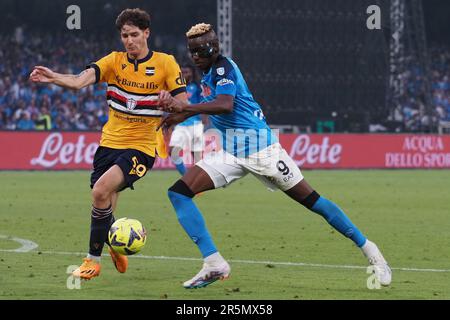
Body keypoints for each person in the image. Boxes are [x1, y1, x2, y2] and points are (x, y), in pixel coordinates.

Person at [158, 23, 392, 289]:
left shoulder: (223, 67)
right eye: (192, 51)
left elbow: (225, 104)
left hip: (262, 150)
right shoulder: (208, 72)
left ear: (213, 49)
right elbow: (215, 107)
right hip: (231, 151)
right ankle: (214, 262)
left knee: (313, 201)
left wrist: (185, 107)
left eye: (200, 50)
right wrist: (181, 114)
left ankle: (372, 252)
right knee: (178, 193)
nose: (195, 56)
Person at [29, 8, 187, 280]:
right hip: (109, 144)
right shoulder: (114, 61)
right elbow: (80, 82)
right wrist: (54, 77)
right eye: (125, 35)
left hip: (142, 148)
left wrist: (170, 103)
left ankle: (92, 261)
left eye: (134, 34)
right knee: (105, 202)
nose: (129, 40)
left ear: (147, 33)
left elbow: (184, 104)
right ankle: (115, 242)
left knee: (100, 191)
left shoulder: (165, 64)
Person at [168, 64, 204, 175]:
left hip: (195, 124)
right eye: (182, 72)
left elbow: (204, 102)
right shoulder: (175, 89)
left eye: (186, 72)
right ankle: (186, 177)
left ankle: (198, 182)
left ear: (192, 74)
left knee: (197, 157)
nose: (184, 75)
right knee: (173, 152)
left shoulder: (197, 87)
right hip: (180, 125)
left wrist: (205, 118)